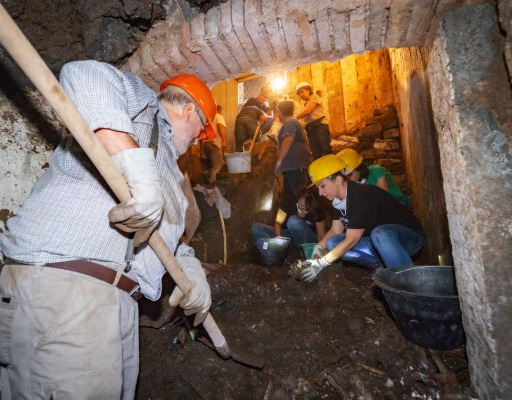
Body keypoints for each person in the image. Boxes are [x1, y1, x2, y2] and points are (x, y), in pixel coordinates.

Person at [0, 60, 214, 399]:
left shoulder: (173, 178)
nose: (198, 140)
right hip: (68, 287)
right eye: (202, 130)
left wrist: (192, 272)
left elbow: (165, 242)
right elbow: (82, 74)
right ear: (189, 111)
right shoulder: (142, 107)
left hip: (118, 303)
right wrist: (136, 169)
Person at [300, 154, 424, 283]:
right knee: (333, 242)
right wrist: (318, 248)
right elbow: (335, 231)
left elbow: (352, 240)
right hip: (379, 241)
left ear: (337, 180)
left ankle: (407, 280)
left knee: (380, 233)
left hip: (408, 239)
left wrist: (322, 262)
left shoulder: (360, 195)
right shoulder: (339, 201)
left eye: (322, 186)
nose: (320, 193)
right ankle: (380, 266)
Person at [250, 187, 326, 248]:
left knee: (293, 221)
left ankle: (303, 251)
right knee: (256, 228)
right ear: (298, 199)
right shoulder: (288, 202)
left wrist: (320, 250)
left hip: (308, 241)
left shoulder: (317, 210)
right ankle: (275, 250)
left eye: (307, 209)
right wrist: (279, 238)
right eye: (301, 207)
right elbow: (278, 223)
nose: (303, 211)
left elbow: (321, 235)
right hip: (290, 237)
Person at [274, 100, 313, 214]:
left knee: (301, 197)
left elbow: (289, 139)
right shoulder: (293, 122)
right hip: (292, 167)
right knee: (288, 199)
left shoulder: (290, 123)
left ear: (280, 112)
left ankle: (308, 223)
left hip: (296, 166)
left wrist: (279, 161)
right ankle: (285, 224)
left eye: (277, 112)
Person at [337, 148, 410, 206]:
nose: (347, 180)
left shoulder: (376, 171)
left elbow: (382, 198)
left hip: (398, 203)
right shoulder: (355, 185)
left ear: (358, 169)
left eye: (349, 175)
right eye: (344, 177)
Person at [294, 81, 332, 159]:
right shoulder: (306, 104)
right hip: (311, 129)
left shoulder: (314, 97)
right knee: (315, 152)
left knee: (326, 148)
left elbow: (308, 111)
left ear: (308, 90)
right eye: (299, 94)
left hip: (320, 126)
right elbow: (308, 119)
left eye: (302, 92)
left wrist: (294, 118)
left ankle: (334, 169)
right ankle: (320, 170)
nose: (301, 95)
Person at [203, 105, 227, 183]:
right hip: (214, 144)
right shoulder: (218, 116)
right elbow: (220, 128)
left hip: (205, 144)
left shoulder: (207, 118)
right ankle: (213, 186)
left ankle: (206, 173)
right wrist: (224, 141)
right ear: (219, 110)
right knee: (216, 167)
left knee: (221, 162)